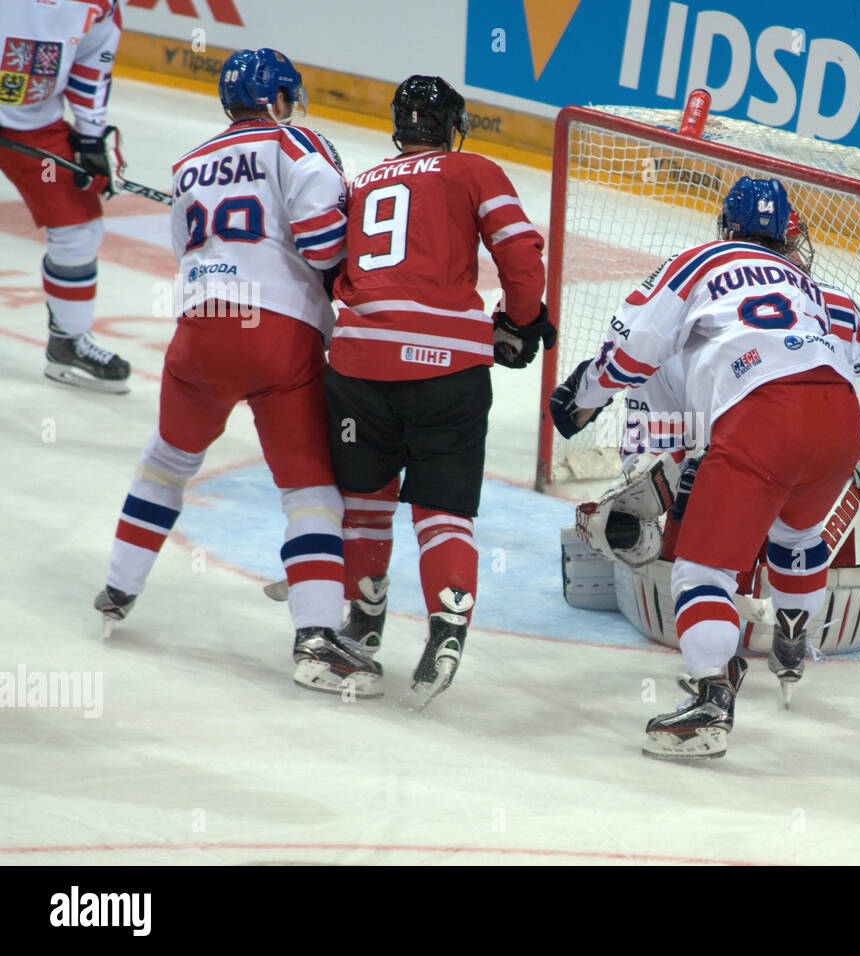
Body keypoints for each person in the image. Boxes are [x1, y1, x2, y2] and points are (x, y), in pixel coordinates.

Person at [551, 177, 860, 760]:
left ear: (726, 226)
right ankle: (794, 641)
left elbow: (635, 346)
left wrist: (585, 396)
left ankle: (711, 700)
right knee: (798, 533)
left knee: (701, 573)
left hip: (762, 419)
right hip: (842, 420)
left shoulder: (702, 260)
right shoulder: (811, 287)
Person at [92, 49, 363, 692]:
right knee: (308, 491)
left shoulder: (188, 165)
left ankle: (117, 587)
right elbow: (326, 243)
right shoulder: (295, 142)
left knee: (166, 462)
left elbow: (191, 253)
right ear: (277, 99)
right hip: (278, 335)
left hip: (199, 332)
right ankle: (316, 638)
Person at [320, 75, 551, 707]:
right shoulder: (473, 168)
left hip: (359, 362)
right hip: (447, 368)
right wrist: (521, 322)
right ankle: (446, 628)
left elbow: (326, 266)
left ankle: (363, 621)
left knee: (365, 499)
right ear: (452, 126)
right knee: (442, 508)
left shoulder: (360, 183)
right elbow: (521, 253)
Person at [0, 0, 131, 392]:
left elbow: (92, 64)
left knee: (80, 228)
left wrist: (91, 136)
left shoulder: (102, 4)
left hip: (35, 126)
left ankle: (68, 343)